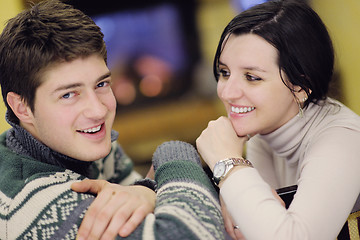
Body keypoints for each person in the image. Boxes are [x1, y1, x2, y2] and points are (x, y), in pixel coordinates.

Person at [0, 1, 224, 239]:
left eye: (101, 84)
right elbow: (194, 232)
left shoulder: (84, 147)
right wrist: (175, 153)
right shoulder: (40, 203)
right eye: (68, 94)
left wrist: (146, 191)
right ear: (22, 108)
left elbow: (162, 204)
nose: (98, 111)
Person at [196, 0, 360, 239]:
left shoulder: (343, 140)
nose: (227, 92)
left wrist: (228, 165)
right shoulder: (264, 136)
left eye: (251, 77)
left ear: (301, 87)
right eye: (225, 73)